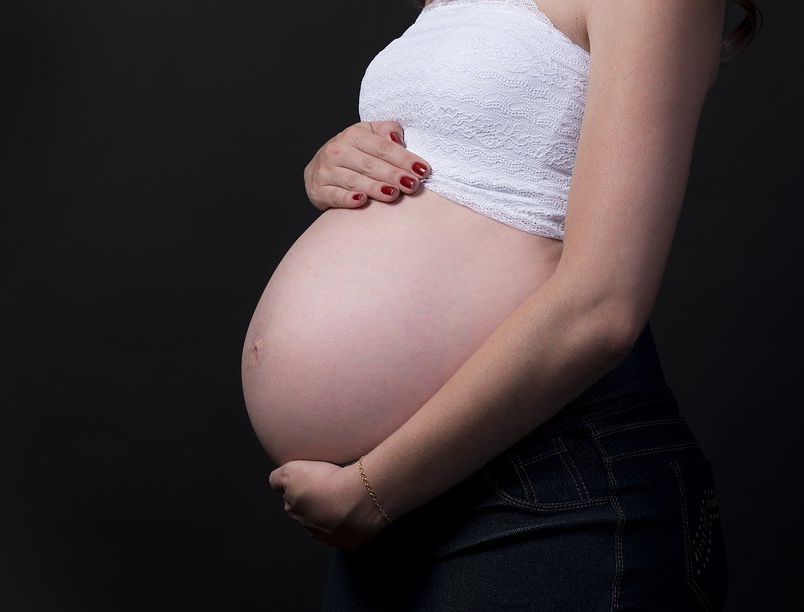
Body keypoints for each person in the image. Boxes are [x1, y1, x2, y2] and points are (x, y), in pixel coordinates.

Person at [247, 0, 761, 609]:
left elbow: (603, 306)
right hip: (399, 496)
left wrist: (373, 491)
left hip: (547, 488)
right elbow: (474, 157)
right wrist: (337, 165)